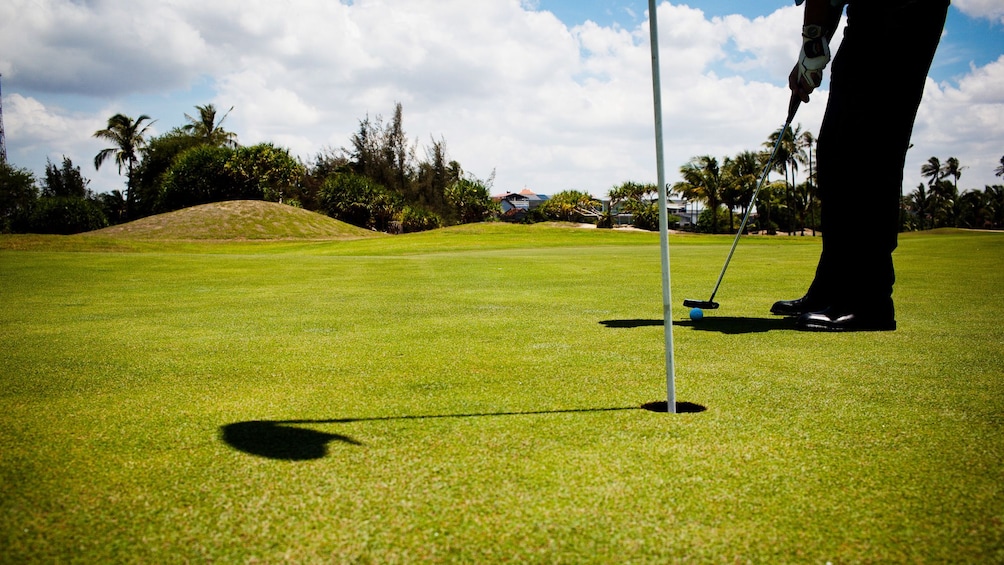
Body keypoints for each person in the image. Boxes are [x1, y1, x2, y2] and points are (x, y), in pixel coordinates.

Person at [771, 0, 950, 331]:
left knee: (867, 151)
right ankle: (832, 289)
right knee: (836, 150)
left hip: (905, 11)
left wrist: (811, 45)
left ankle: (869, 300)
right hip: (868, 13)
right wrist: (812, 50)